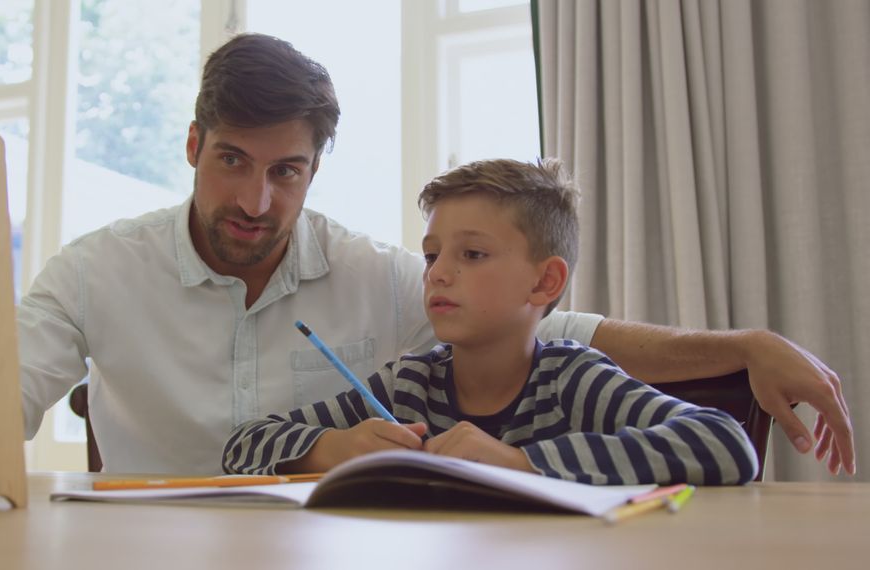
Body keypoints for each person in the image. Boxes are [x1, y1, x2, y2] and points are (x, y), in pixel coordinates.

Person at [0, 33, 854, 477]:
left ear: (315, 168)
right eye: (233, 162)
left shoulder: (382, 276)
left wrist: (743, 344)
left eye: (288, 172)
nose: (256, 201)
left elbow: (551, 329)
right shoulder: (94, 269)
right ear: (193, 147)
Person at [222, 158, 759, 484]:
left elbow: (725, 444)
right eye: (432, 256)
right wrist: (333, 448)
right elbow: (243, 445)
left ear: (545, 283)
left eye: (472, 255)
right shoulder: (410, 383)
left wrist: (522, 463)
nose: (438, 275)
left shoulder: (571, 381)